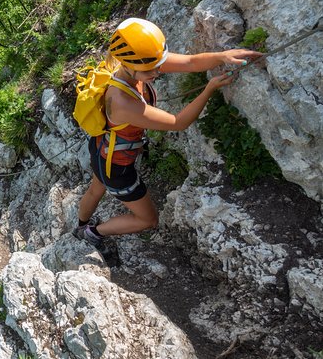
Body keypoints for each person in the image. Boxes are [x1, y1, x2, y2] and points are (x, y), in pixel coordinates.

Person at [74, 17, 262, 261]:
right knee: (148, 220)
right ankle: (92, 232)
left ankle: (80, 225)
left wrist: (223, 56)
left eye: (158, 65)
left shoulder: (132, 63)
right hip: (117, 167)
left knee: (95, 189)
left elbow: (191, 62)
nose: (156, 72)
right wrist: (209, 89)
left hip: (103, 149)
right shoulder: (121, 102)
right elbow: (178, 122)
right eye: (150, 69)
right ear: (130, 65)